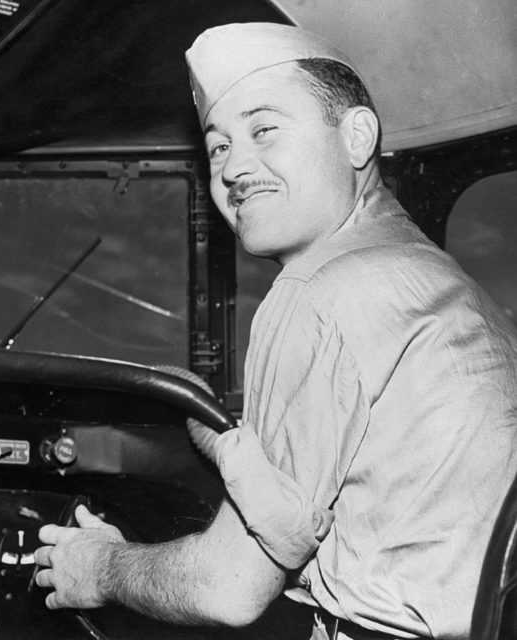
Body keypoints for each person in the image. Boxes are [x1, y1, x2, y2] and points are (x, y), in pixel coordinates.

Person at [34, 22, 517, 639]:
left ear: (356, 137)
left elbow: (228, 589)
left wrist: (100, 566)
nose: (235, 167)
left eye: (264, 130)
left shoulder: (322, 292)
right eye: (218, 147)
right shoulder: (434, 279)